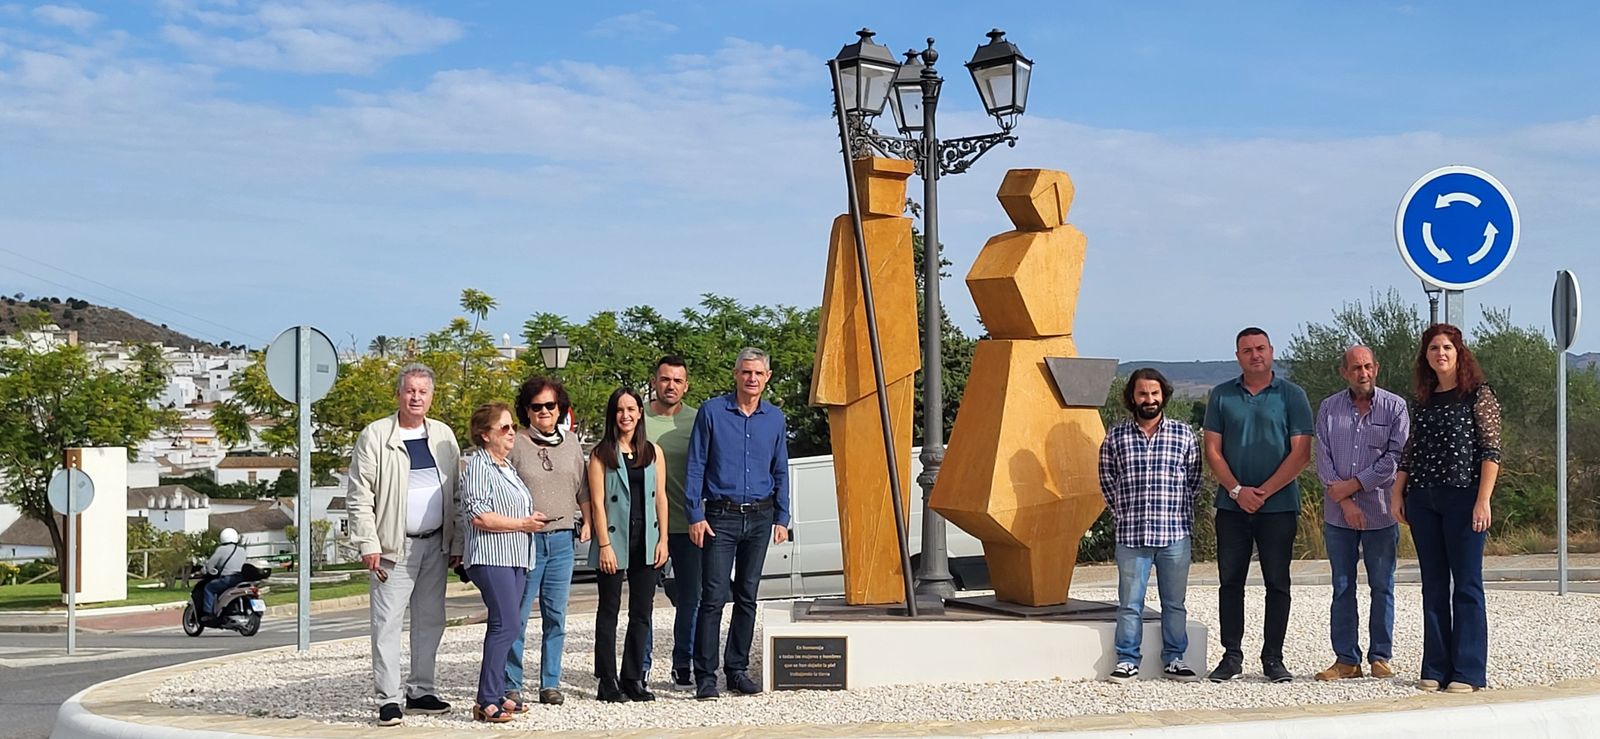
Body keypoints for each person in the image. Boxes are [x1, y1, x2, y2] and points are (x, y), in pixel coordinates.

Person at [347, 364, 461, 726]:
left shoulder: (443, 435)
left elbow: (457, 493)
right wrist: (368, 541)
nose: (416, 397)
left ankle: (422, 690)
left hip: (435, 546)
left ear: (431, 396)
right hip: (393, 549)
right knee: (387, 624)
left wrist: (456, 540)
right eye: (410, 391)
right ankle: (389, 698)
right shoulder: (376, 435)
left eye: (423, 392)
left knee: (431, 621)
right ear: (398, 394)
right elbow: (359, 495)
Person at [1392, 323, 1501, 694]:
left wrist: (1483, 499)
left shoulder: (1478, 396)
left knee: (1467, 584)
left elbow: (1491, 450)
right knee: (1433, 585)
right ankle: (1435, 667)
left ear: (1459, 353)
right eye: (1434, 347)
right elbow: (1411, 449)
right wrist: (1397, 493)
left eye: (1448, 347)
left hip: (1464, 497)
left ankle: (1469, 671)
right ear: (1426, 355)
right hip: (1423, 498)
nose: (1441, 353)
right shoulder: (1421, 399)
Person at [1203, 327, 1313, 684]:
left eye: (1260, 348)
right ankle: (1231, 656)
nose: (1255, 355)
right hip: (1232, 508)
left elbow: (1301, 453)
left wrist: (1262, 492)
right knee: (1230, 582)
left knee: (1277, 583)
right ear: (1238, 356)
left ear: (1271, 352)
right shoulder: (1221, 396)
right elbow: (1212, 450)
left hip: (1278, 507)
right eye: (1247, 350)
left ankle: (1273, 658)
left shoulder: (1292, 395)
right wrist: (1237, 490)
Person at [686, 347, 790, 700]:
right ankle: (705, 675)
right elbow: (696, 464)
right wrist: (695, 513)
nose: (752, 379)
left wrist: (783, 516)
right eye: (746, 372)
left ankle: (737, 669)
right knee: (713, 598)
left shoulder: (775, 419)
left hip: (761, 517)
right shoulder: (712, 412)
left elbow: (780, 468)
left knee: (747, 597)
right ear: (736, 374)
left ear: (767, 378)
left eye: (758, 373)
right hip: (720, 516)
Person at [1098, 368, 1203, 684]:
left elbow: (1194, 480)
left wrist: (1179, 512)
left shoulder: (1183, 435)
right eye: (1143, 394)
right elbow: (1106, 480)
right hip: (1132, 535)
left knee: (1175, 603)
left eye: (1155, 393)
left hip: (1174, 534)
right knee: (1130, 603)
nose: (1149, 399)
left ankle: (1174, 659)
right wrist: (1124, 513)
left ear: (1164, 395)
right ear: (1133, 397)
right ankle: (1128, 660)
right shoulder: (1116, 437)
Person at [1313, 346, 1409, 682]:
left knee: (1382, 586)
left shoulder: (1395, 407)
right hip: (1339, 516)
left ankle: (1380, 656)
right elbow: (1322, 458)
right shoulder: (1329, 408)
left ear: (1376, 368)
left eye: (1368, 366)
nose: (1362, 373)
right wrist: (1346, 502)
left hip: (1380, 514)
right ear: (1344, 372)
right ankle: (1346, 660)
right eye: (1355, 368)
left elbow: (1395, 458)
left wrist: (1353, 485)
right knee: (1342, 586)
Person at [459, 402, 549, 723]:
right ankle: (486, 699)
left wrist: (530, 519)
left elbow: (511, 510)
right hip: (491, 555)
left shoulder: (506, 467)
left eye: (513, 427)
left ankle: (496, 693)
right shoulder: (479, 467)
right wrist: (522, 525)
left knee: (509, 624)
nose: (512, 433)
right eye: (504, 428)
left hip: (515, 556)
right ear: (485, 435)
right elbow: (479, 516)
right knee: (506, 623)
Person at [503, 375, 590, 707]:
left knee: (556, 615)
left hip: (562, 540)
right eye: (536, 406)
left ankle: (549, 682)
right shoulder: (517, 443)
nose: (543, 411)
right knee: (518, 615)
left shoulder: (571, 443)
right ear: (527, 410)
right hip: (525, 540)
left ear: (560, 408)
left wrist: (587, 523)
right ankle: (512, 683)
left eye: (549, 405)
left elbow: (581, 487)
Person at [588, 387, 670, 702]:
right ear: (613, 415)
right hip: (614, 538)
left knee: (642, 612)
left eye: (631, 409)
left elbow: (661, 497)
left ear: (640, 413)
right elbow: (597, 503)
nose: (626, 415)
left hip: (646, 539)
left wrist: (663, 538)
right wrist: (605, 545)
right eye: (620, 410)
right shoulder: (601, 454)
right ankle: (607, 680)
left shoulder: (653, 452)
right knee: (609, 610)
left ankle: (633, 677)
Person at [643, 355, 700, 687]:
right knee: (644, 599)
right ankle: (643, 663)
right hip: (648, 527)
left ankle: (683, 662)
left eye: (678, 381)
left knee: (691, 597)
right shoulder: (638, 419)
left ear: (686, 385)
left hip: (687, 523)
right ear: (655, 381)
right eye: (665, 379)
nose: (671, 386)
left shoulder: (697, 420)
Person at [200, 527, 246, 617]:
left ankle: (208, 613)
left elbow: (210, 565)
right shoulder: (242, 550)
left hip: (227, 579)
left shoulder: (221, 549)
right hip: (240, 579)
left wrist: (206, 570)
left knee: (209, 588)